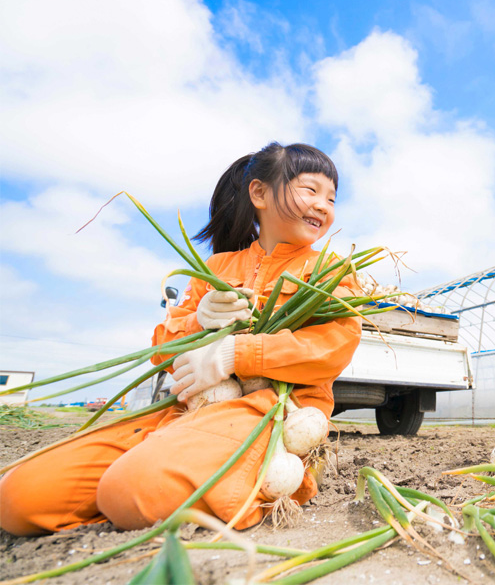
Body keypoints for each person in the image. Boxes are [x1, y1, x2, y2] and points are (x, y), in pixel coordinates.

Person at [0, 142, 362, 535]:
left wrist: (235, 352)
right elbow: (162, 352)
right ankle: (153, 486)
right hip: (183, 410)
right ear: (258, 193)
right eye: (310, 190)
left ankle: (258, 485)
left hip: (268, 415)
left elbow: (333, 346)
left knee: (131, 491)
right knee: (20, 497)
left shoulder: (331, 270)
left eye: (331, 197)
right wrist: (198, 322)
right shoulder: (216, 267)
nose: (323, 205)